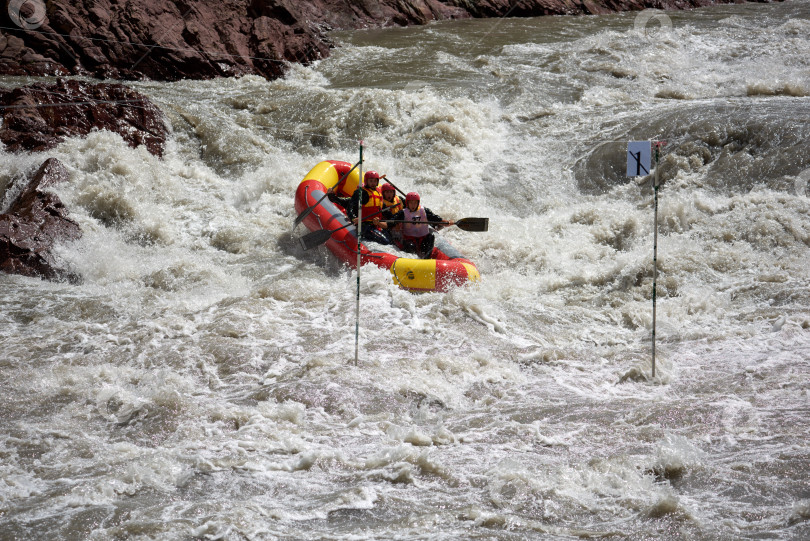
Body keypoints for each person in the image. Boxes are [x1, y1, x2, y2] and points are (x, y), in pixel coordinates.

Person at [328, 170, 390, 245]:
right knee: (385, 241)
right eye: (371, 181)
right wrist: (353, 218)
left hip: (375, 225)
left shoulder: (378, 195)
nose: (373, 183)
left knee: (390, 240)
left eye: (374, 181)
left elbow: (385, 212)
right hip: (364, 226)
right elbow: (349, 207)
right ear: (366, 182)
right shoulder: (360, 193)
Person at [384, 191, 453, 258]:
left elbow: (436, 218)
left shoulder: (424, 211)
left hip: (423, 238)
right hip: (409, 239)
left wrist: (447, 222)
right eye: (411, 203)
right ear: (407, 203)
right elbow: (391, 221)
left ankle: (427, 258)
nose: (413, 205)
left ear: (418, 203)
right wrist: (380, 223)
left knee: (430, 237)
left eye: (415, 203)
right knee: (410, 246)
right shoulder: (403, 213)